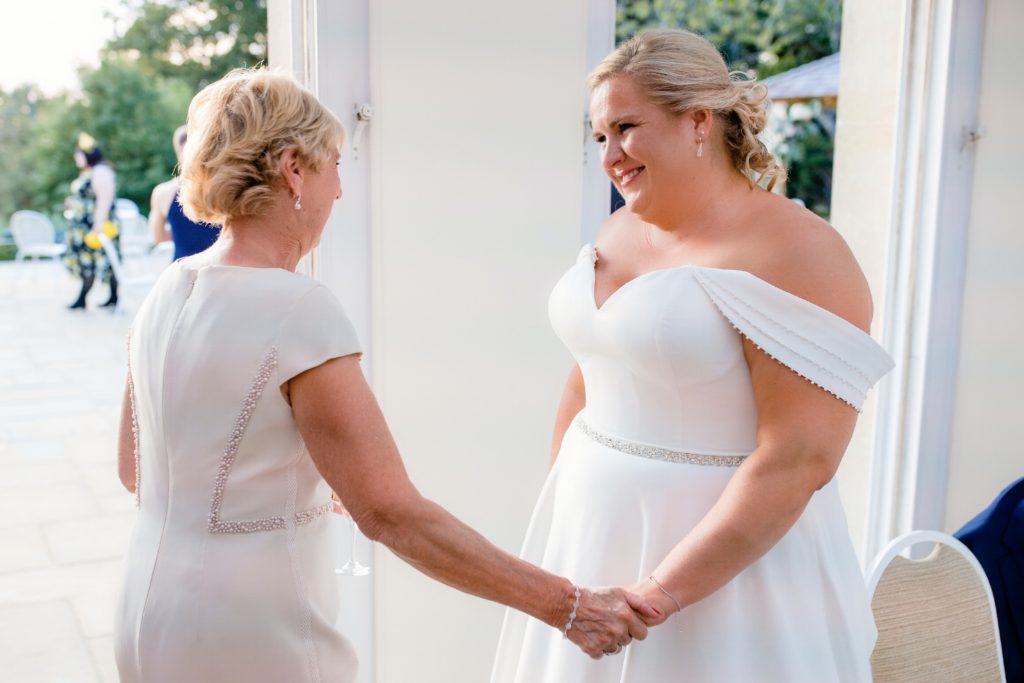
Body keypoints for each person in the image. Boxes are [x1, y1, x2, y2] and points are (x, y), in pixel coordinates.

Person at [113, 68, 659, 683]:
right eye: (333, 165)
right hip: (252, 629)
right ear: (293, 168)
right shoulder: (297, 308)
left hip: (147, 609)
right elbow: (392, 515)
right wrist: (570, 605)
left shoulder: (168, 287)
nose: (340, 191)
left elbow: (137, 469)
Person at [491, 29, 895, 683]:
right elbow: (590, 374)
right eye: (600, 136)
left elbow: (798, 459)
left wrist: (659, 592)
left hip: (728, 578)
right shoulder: (618, 226)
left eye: (626, 127)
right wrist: (563, 508)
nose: (610, 156)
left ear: (699, 120)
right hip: (588, 537)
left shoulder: (800, 252)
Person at [63, 133, 120, 309]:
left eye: (78, 154)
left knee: (103, 261)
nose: (75, 158)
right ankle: (103, 297)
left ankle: (91, 297)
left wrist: (98, 224)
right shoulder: (89, 172)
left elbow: (104, 199)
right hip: (85, 226)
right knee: (90, 261)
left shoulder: (101, 171)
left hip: (97, 225)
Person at [149, 125, 221, 260]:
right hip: (217, 270)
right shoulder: (222, 187)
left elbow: (158, 237)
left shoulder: (162, 193)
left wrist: (181, 233)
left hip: (182, 272)